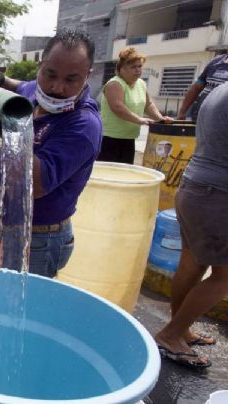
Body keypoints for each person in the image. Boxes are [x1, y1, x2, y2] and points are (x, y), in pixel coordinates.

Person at [0, 29, 102, 278]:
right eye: (50, 74)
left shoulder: (83, 125)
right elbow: (21, 85)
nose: (56, 88)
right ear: (41, 66)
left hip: (38, 239)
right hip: (4, 225)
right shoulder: (35, 92)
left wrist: (9, 131)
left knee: (19, 313)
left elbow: (34, 183)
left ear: (87, 76)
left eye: (71, 80)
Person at [153, 82, 228, 370]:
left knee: (192, 263)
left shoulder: (219, 88)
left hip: (196, 186)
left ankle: (180, 329)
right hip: (218, 193)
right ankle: (171, 335)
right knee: (223, 276)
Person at [98, 47, 171, 164]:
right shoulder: (114, 84)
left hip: (129, 138)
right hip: (110, 139)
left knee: (125, 176)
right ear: (121, 69)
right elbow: (117, 107)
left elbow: (148, 104)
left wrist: (160, 118)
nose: (138, 70)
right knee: (108, 175)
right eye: (133, 67)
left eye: (139, 66)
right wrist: (139, 120)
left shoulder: (141, 84)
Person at [178, 52, 228, 121]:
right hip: (200, 119)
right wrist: (182, 111)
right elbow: (197, 88)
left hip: (222, 123)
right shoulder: (215, 62)